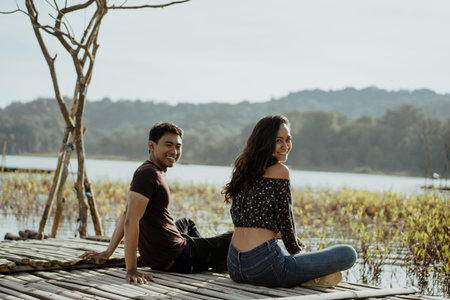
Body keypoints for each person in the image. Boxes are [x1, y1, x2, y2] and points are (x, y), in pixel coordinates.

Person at [81, 122, 232, 284]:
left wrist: (108, 252)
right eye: (168, 145)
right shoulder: (148, 174)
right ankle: (209, 260)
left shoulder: (149, 170)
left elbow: (126, 214)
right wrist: (131, 270)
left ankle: (208, 259)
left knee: (186, 223)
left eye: (178, 146)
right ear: (151, 145)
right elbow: (131, 220)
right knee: (234, 236)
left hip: (162, 255)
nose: (174, 151)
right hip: (179, 258)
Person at [223, 115, 356, 288]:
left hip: (234, 265)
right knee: (348, 253)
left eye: (288, 139)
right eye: (278, 140)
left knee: (284, 254)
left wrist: (275, 234)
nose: (285, 146)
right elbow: (286, 219)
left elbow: (247, 218)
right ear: (265, 141)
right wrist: (295, 251)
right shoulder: (280, 170)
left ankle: (302, 275)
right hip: (264, 267)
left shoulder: (243, 170)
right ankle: (304, 276)